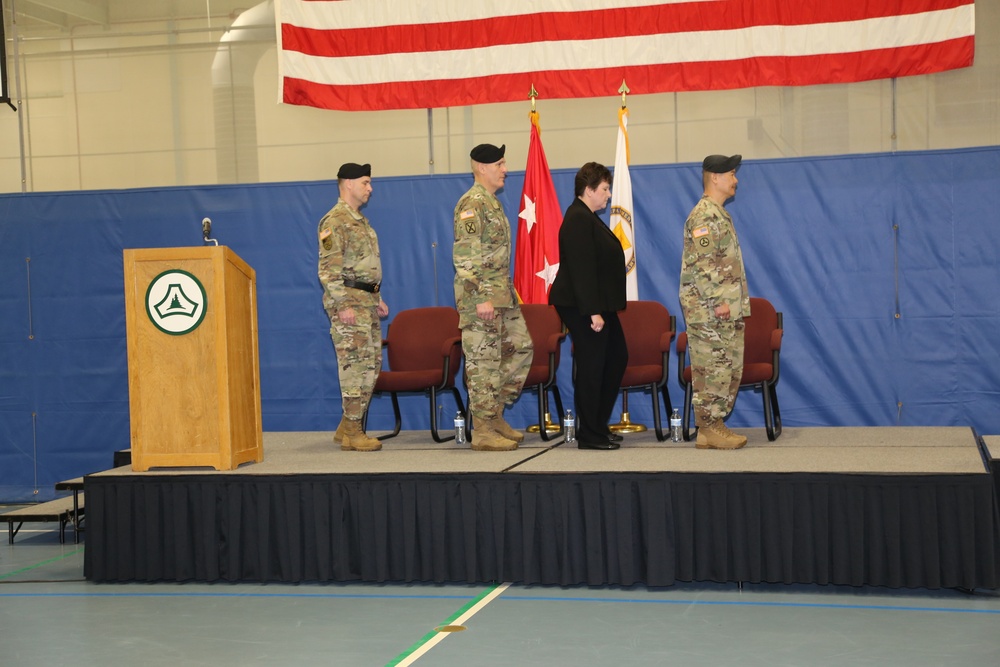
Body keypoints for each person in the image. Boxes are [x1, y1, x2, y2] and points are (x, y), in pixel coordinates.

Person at [453, 143, 533, 451]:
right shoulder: (471, 204)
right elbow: (465, 256)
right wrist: (479, 297)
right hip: (482, 297)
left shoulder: (491, 202)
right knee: (483, 362)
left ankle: (495, 413)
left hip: (502, 294)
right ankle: (483, 429)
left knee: (521, 348)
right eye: (499, 164)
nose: (505, 169)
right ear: (481, 168)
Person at [549, 162, 628, 450]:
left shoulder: (588, 216)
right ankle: (590, 434)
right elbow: (582, 270)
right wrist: (593, 312)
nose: (608, 194)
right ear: (589, 189)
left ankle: (597, 424)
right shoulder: (578, 219)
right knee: (593, 365)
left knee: (616, 357)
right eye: (605, 189)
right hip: (583, 305)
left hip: (599, 304)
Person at [679, 154, 751, 450]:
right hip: (710, 310)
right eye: (731, 174)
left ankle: (713, 426)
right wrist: (719, 301)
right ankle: (708, 426)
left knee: (729, 367)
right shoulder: (703, 216)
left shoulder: (719, 214)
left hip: (726, 308)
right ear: (715, 178)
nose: (735, 180)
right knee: (713, 368)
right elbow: (705, 264)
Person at [318, 162, 390, 452]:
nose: (370, 188)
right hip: (348, 305)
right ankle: (353, 432)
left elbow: (363, 267)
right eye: (365, 182)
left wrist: (376, 297)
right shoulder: (334, 221)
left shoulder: (360, 221)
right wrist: (342, 304)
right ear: (348, 184)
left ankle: (347, 425)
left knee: (371, 367)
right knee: (354, 368)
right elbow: (328, 270)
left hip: (366, 304)